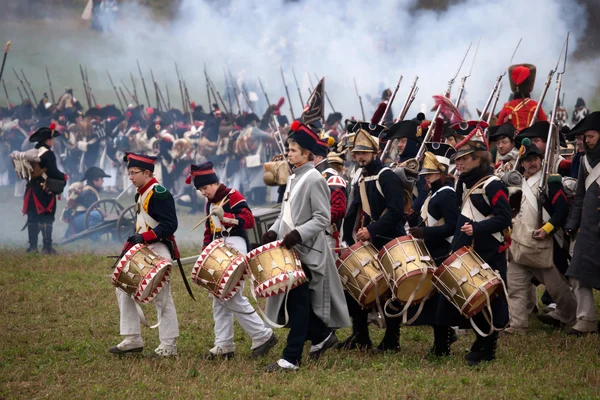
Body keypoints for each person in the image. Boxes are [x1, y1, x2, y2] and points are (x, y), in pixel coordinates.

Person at [262, 120, 350, 371]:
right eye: (289, 149)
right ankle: (322, 336)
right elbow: (285, 214)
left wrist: (298, 234)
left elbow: (322, 218)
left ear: (307, 154)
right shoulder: (293, 178)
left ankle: (291, 358)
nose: (288, 153)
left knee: (298, 305)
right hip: (294, 250)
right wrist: (273, 231)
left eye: (293, 150)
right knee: (295, 303)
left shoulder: (314, 179)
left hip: (309, 251)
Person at [434, 121, 512, 366]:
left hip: (489, 250)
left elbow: (504, 218)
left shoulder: (494, 184)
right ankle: (452, 343)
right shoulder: (462, 183)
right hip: (466, 251)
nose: (459, 163)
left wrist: (477, 228)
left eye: (465, 158)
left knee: (489, 301)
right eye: (458, 158)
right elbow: (459, 216)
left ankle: (487, 346)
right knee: (462, 297)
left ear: (479, 158)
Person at [187, 162, 278, 360]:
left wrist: (226, 216)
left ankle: (263, 336)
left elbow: (249, 220)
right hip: (218, 247)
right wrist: (205, 251)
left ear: (214, 183)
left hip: (236, 246)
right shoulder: (209, 203)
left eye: (204, 187)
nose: (203, 192)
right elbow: (209, 231)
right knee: (218, 298)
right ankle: (224, 344)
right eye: (200, 189)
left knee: (231, 295)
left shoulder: (232, 196)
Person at [339, 121, 406, 352]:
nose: (359, 156)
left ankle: (392, 339)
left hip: (389, 240)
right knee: (354, 286)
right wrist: (350, 237)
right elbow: (355, 209)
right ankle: (360, 336)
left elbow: (397, 211)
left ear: (375, 152)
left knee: (394, 291)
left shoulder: (387, 176)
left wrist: (373, 230)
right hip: (368, 240)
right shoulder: (360, 176)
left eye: (363, 152)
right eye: (356, 153)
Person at [109, 152, 179, 357]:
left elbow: (170, 225)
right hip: (144, 247)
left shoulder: (160, 193)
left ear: (147, 172)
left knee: (162, 297)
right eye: (129, 172)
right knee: (123, 287)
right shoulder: (141, 192)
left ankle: (168, 344)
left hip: (159, 247)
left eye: (134, 172)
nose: (130, 177)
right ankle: (132, 338)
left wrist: (146, 236)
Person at [505, 142, 576, 333]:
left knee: (558, 289)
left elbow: (561, 210)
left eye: (534, 159)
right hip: (519, 245)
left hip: (544, 245)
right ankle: (517, 324)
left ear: (540, 160)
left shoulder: (550, 182)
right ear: (521, 164)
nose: (531, 163)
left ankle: (571, 317)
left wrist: (547, 229)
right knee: (515, 287)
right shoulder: (515, 183)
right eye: (527, 160)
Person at [407, 142, 459, 356]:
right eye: (426, 174)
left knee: (441, 302)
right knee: (434, 301)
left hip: (442, 252)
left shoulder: (446, 194)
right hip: (431, 251)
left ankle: (442, 346)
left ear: (442, 173)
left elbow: (451, 226)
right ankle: (443, 341)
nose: (426, 178)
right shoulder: (434, 194)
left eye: (430, 174)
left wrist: (425, 233)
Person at [564, 111, 600, 335]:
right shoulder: (585, 161)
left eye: (591, 136)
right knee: (577, 272)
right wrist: (572, 223)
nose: (586, 140)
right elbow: (579, 196)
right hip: (588, 227)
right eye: (585, 137)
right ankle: (586, 320)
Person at [22, 124, 67, 254]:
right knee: (47, 217)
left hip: (31, 189)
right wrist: (63, 176)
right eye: (51, 139)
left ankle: (33, 247)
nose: (53, 141)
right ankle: (47, 248)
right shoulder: (49, 154)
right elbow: (53, 172)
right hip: (44, 190)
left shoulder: (33, 152)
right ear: (47, 140)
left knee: (32, 217)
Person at [497, 64, 547, 131]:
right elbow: (545, 126)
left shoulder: (507, 106)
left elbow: (498, 127)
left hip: (512, 139)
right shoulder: (535, 105)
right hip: (531, 139)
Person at [64, 166, 110, 237]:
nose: (103, 181)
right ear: (95, 181)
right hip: (77, 221)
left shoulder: (91, 191)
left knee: (97, 214)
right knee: (96, 215)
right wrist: (105, 215)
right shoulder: (87, 192)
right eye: (101, 179)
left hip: (83, 218)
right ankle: (94, 237)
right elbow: (93, 208)